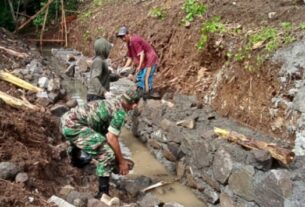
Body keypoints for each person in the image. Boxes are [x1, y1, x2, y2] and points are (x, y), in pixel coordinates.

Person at [60, 88, 140, 198]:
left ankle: (76, 161)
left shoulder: (115, 101)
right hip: (73, 126)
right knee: (107, 155)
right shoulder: (120, 113)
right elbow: (112, 138)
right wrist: (121, 161)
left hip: (66, 119)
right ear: (134, 105)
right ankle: (103, 194)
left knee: (96, 139)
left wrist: (118, 157)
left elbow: (106, 136)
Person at [117, 26, 158, 99]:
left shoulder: (134, 40)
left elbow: (141, 53)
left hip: (150, 59)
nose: (123, 39)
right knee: (139, 77)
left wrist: (139, 66)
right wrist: (123, 68)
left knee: (146, 77)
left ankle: (148, 94)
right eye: (121, 37)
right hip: (144, 61)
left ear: (128, 34)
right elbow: (130, 58)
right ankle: (142, 92)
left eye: (124, 36)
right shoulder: (129, 43)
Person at [87, 37, 113, 102]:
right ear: (103, 49)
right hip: (95, 96)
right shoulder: (98, 61)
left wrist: (119, 76)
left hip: (97, 95)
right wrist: (104, 92)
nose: (109, 51)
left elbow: (106, 77)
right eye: (108, 49)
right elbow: (94, 78)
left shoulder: (101, 60)